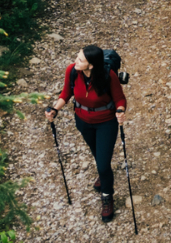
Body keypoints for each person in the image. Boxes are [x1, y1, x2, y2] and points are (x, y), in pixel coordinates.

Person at [45, 45, 127, 223]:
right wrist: (55, 109)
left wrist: (120, 111)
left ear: (91, 65)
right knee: (97, 154)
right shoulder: (72, 71)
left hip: (106, 123)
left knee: (104, 164)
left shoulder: (108, 76)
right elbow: (66, 93)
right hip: (83, 122)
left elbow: (120, 98)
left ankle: (107, 196)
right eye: (77, 56)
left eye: (81, 60)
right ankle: (103, 174)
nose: (76, 61)